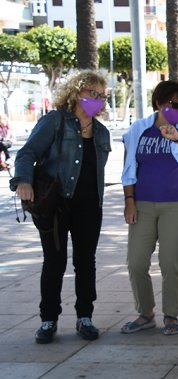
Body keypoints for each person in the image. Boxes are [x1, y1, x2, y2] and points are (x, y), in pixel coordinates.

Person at [11, 71, 111, 344]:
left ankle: (85, 317)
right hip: (56, 205)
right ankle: (48, 319)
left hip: (90, 206)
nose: (98, 100)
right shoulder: (55, 122)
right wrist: (24, 181)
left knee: (85, 262)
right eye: (93, 93)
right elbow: (27, 153)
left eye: (102, 95)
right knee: (54, 262)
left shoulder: (102, 132)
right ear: (76, 93)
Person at [120, 81, 178, 336]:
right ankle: (145, 313)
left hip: (177, 204)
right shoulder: (139, 130)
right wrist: (129, 201)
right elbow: (128, 167)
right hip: (142, 203)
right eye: (173, 104)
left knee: (170, 261)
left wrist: (176, 136)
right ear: (158, 103)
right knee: (136, 261)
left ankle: (171, 316)